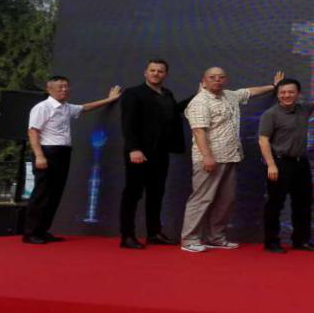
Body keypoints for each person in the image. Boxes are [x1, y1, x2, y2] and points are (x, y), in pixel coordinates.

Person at [179, 66, 283, 254]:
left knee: (225, 200)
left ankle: (215, 237)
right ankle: (189, 239)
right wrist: (207, 156)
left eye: (221, 77)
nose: (217, 80)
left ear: (225, 79)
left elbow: (249, 92)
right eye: (212, 77)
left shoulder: (230, 95)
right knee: (202, 199)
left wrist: (273, 86)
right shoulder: (200, 102)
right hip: (209, 159)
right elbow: (199, 131)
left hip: (231, 156)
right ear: (204, 81)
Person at [257, 76, 314, 254]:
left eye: (291, 92)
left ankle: (301, 241)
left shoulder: (303, 109)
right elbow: (263, 141)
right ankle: (271, 242)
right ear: (277, 95)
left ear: (298, 94)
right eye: (283, 92)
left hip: (301, 163)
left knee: (303, 204)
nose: (287, 95)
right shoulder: (270, 114)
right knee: (275, 204)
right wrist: (271, 165)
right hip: (279, 164)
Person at [25, 77, 122, 244]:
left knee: (55, 193)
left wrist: (110, 99)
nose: (64, 90)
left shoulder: (67, 107)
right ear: (49, 90)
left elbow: (85, 108)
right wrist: (39, 155)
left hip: (63, 152)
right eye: (60, 87)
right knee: (42, 193)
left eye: (66, 87)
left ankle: (42, 230)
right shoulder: (42, 107)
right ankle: (30, 233)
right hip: (47, 151)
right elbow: (33, 132)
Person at [118, 59, 196, 249]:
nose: (156, 74)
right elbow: (128, 123)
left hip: (161, 152)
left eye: (160, 71)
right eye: (152, 70)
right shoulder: (133, 93)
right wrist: (134, 149)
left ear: (165, 74)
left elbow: (175, 112)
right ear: (145, 73)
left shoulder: (167, 94)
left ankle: (154, 233)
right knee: (133, 194)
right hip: (139, 152)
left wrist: (197, 95)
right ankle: (127, 236)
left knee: (156, 193)